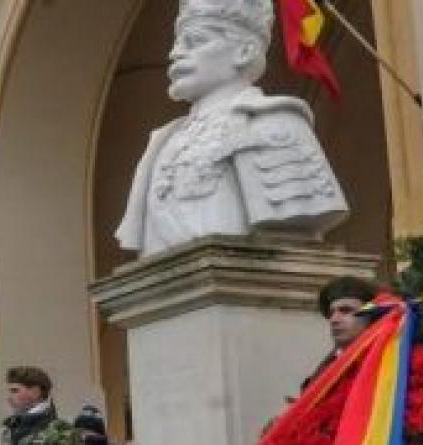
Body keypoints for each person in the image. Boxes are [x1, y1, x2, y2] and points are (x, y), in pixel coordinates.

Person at [114, 0, 347, 257]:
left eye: (194, 41)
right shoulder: (162, 140)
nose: (175, 53)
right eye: (177, 43)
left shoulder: (272, 122)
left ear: (244, 52)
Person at [302, 276, 380, 390]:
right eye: (331, 313)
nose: (334, 319)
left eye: (345, 310)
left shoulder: (388, 362)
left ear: (371, 317)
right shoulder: (323, 371)